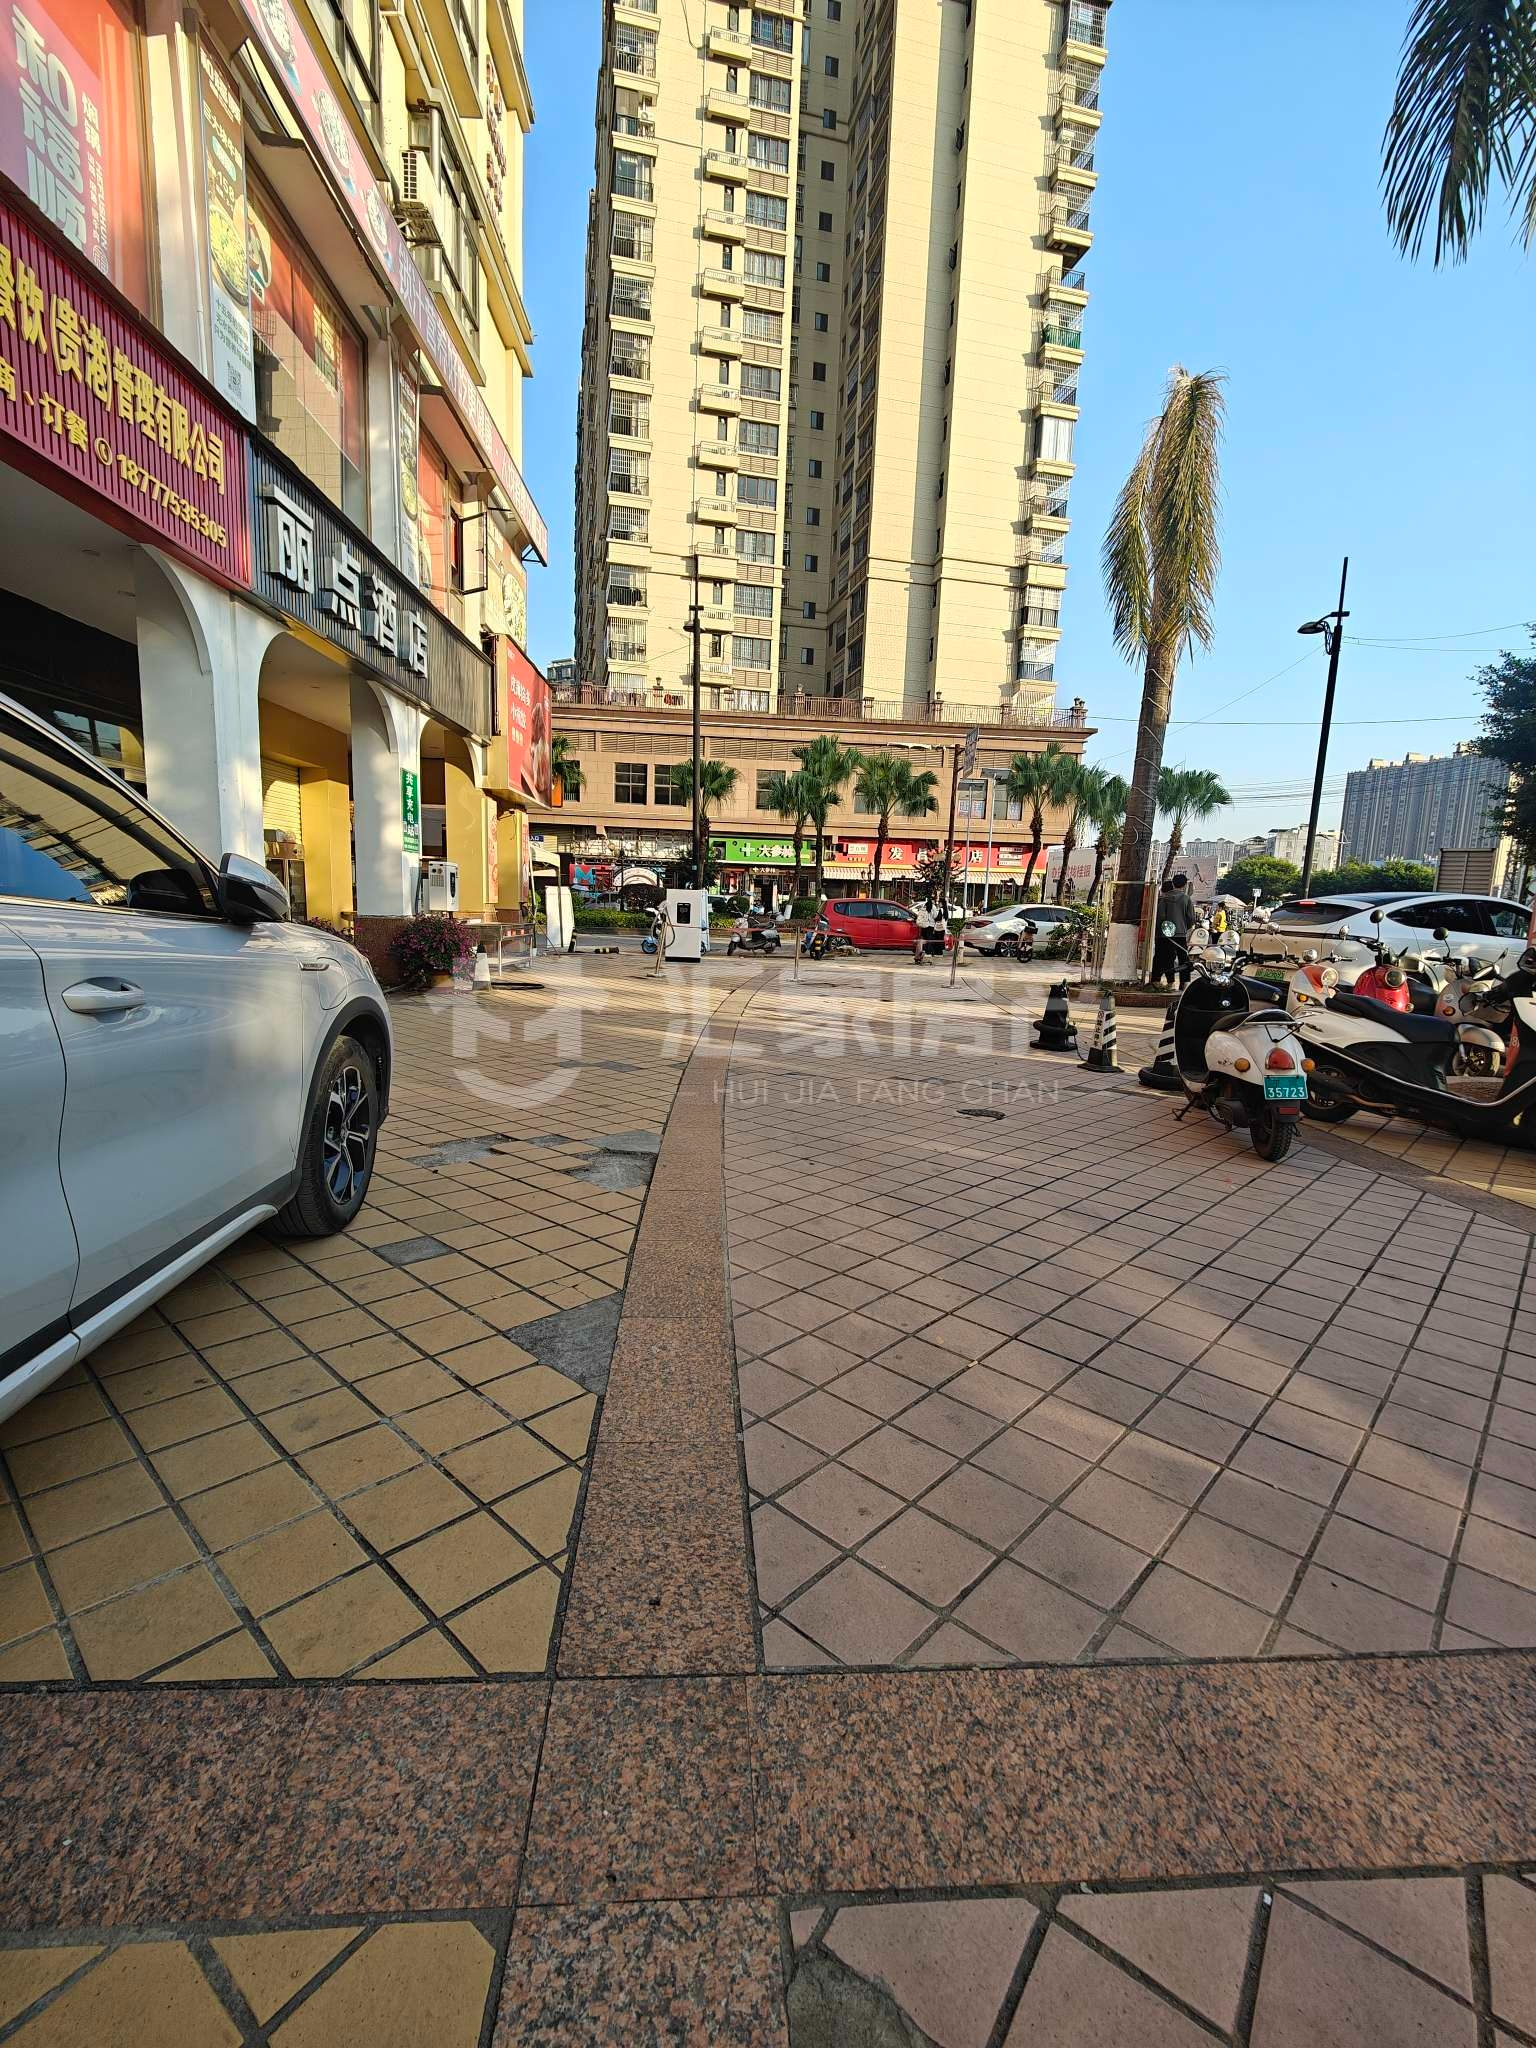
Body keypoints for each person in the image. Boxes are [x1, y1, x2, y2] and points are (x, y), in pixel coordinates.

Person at [1150, 872, 1197, 989]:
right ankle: (1184, 982)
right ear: (1184, 885)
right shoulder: (1186, 899)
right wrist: (1184, 926)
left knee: (1162, 956)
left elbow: (1160, 916)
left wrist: (1163, 930)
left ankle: (1158, 980)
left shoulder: (1163, 898)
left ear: (1173, 884)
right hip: (1180, 934)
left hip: (1163, 934)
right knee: (1183, 958)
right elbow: (1191, 918)